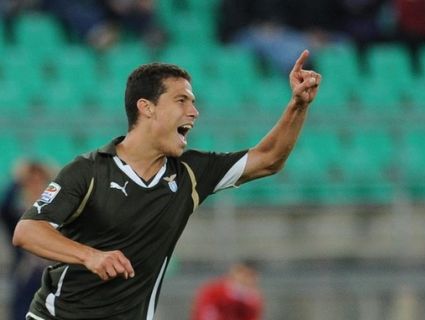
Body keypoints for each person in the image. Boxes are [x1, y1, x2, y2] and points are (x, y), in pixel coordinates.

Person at [12, 49, 321, 319]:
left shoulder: (191, 173)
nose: (194, 111)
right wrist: (90, 255)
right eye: (181, 100)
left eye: (194, 101)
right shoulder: (88, 171)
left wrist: (298, 105)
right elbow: (27, 231)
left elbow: (269, 158)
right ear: (146, 107)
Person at [0, 160, 53, 320]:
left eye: (39, 181)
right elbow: (4, 207)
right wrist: (17, 180)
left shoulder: (56, 211)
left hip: (52, 275)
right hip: (25, 274)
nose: (35, 185)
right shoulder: (18, 213)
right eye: (31, 181)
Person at [191, 262, 263, 320]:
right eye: (244, 274)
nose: (246, 279)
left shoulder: (252, 299)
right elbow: (204, 313)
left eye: (250, 276)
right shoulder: (214, 291)